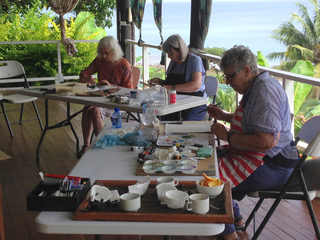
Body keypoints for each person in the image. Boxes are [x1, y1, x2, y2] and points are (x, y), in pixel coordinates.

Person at [207, 45, 299, 240]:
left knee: (209, 183)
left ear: (247, 71)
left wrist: (228, 136)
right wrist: (224, 115)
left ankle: (229, 235)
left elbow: (265, 141)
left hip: (272, 163)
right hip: (258, 155)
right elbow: (252, 123)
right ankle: (236, 219)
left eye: (231, 77)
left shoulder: (263, 91)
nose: (228, 82)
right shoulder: (254, 86)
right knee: (206, 161)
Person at [78, 36, 133, 157]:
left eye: (106, 53)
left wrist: (111, 86)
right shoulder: (100, 61)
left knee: (94, 110)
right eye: (101, 53)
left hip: (118, 102)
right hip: (101, 99)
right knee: (88, 109)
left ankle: (103, 144)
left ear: (114, 51)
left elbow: (129, 91)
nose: (103, 56)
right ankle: (86, 145)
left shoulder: (124, 65)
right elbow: (83, 73)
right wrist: (87, 78)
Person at [148, 34, 207, 121]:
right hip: (175, 101)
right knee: (156, 119)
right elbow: (172, 83)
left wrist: (170, 87)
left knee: (186, 125)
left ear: (180, 50)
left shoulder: (195, 60)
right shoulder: (174, 62)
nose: (168, 56)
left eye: (171, 53)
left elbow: (195, 85)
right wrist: (160, 82)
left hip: (195, 103)